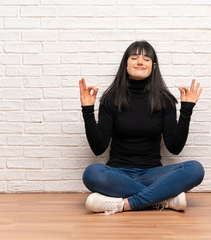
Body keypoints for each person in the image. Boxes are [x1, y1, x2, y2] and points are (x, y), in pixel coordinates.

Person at [79, 40, 204, 215]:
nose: (140, 62)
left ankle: (125, 204)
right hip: (118, 174)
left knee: (195, 169)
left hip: (153, 173)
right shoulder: (111, 99)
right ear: (126, 64)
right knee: (92, 173)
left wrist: (186, 110)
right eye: (134, 57)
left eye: (146, 59)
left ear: (153, 66)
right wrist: (87, 110)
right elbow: (98, 148)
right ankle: (163, 199)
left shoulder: (165, 100)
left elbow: (175, 148)